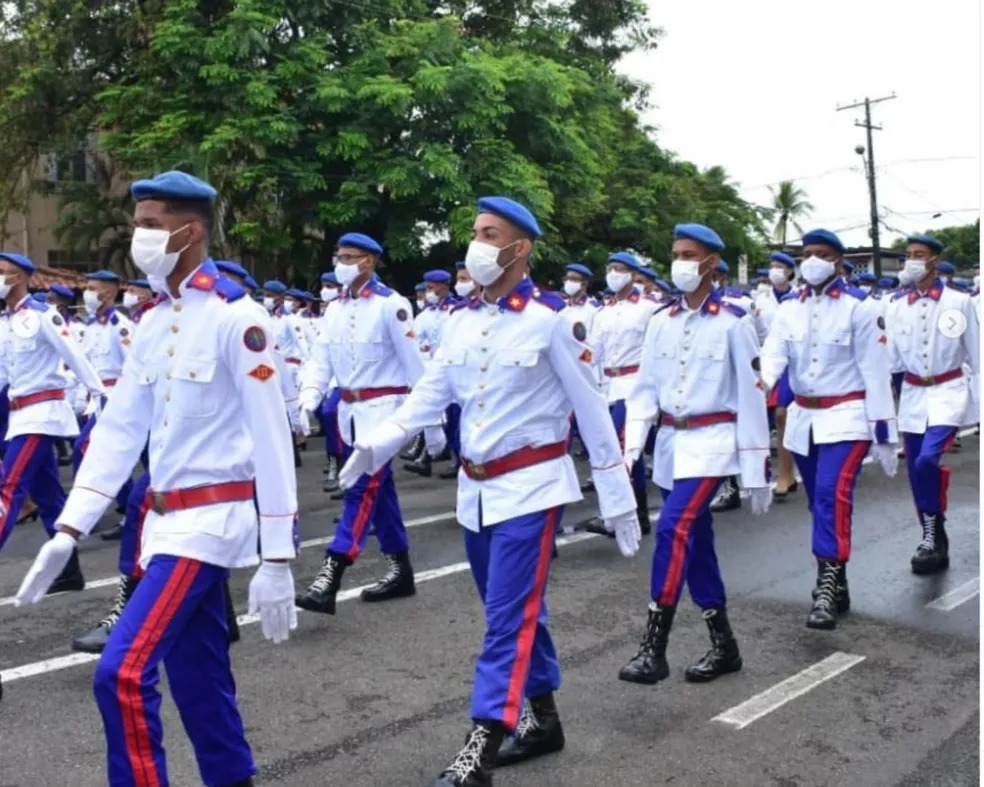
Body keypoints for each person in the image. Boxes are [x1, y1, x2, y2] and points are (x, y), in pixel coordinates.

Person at [338, 196, 640, 787]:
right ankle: (545, 718)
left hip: (531, 487)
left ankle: (483, 740)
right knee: (517, 608)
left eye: (488, 233)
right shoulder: (461, 320)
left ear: (518, 248)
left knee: (505, 618)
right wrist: (377, 444)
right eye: (475, 232)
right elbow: (430, 395)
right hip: (475, 491)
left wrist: (617, 494)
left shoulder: (554, 320)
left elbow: (592, 411)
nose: (475, 243)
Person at [14, 171, 299, 787]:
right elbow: (121, 430)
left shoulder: (237, 318)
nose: (137, 236)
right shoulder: (154, 322)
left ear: (189, 231)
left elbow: (273, 440)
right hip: (162, 524)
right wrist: (68, 527)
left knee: (121, 671)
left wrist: (278, 556)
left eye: (149, 225)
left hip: (210, 523)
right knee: (199, 677)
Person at [618, 223, 772, 686]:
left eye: (689, 254)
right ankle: (724, 645)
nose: (680, 262)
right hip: (671, 444)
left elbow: (751, 396)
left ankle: (653, 646)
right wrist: (631, 446)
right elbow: (645, 389)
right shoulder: (661, 320)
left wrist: (756, 468)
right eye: (676, 253)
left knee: (673, 526)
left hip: (713, 442)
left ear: (709, 264)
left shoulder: (734, 321)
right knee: (697, 544)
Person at [761, 228, 898, 630]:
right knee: (818, 503)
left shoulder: (860, 307)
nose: (811, 261)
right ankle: (839, 580)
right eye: (806, 254)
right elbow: (773, 356)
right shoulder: (790, 307)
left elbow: (876, 374)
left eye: (821, 254)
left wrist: (885, 434)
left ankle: (825, 585)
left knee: (829, 495)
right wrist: (757, 387)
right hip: (805, 418)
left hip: (847, 416)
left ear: (838, 261)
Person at [295, 232, 426, 614]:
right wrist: (308, 399)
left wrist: (421, 425)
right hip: (351, 413)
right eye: (340, 256)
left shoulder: (392, 306)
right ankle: (401, 569)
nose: (342, 263)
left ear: (369, 262)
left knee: (360, 486)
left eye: (350, 257)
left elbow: (416, 367)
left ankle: (330, 573)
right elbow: (321, 360)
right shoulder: (334, 308)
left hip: (385, 410)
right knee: (380, 494)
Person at [0, 252, 104, 590]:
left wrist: (98, 397)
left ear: (19, 278)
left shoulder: (45, 316)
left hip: (42, 415)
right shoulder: (9, 321)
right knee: (48, 498)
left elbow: (75, 357)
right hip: (19, 414)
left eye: (3, 273)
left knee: (9, 489)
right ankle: (69, 570)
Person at [886, 234, 979, 573]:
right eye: (908, 254)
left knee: (927, 461)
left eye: (919, 254)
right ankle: (934, 535)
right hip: (912, 395)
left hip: (948, 391)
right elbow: (890, 360)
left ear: (935, 260)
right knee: (914, 469)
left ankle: (932, 529)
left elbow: (977, 355)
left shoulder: (959, 302)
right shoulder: (895, 305)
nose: (912, 260)